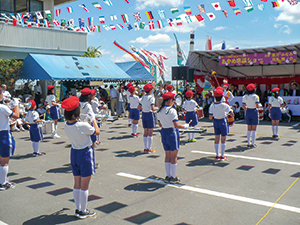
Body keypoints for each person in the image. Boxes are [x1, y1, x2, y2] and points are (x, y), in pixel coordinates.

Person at [61, 96, 100, 219]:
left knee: (77, 183)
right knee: (84, 185)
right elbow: (97, 131)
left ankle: (78, 208)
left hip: (74, 152)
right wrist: (93, 120)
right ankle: (83, 210)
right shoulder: (82, 125)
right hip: (85, 153)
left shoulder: (67, 125)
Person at [157, 92, 188, 184]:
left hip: (163, 131)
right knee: (174, 156)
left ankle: (168, 176)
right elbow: (176, 125)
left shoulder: (159, 110)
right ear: (170, 100)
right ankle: (173, 177)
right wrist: (185, 126)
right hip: (172, 132)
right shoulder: (172, 110)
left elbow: (160, 124)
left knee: (167, 155)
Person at [0, 89, 19, 190]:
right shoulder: (3, 108)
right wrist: (16, 105)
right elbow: (17, 115)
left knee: (0, 160)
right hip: (3, 134)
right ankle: (2, 183)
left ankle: (1, 179)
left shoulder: (3, 107)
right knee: (5, 160)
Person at [209, 88, 233, 161]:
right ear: (222, 97)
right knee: (223, 139)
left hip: (215, 121)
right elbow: (232, 114)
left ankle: (217, 155)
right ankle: (222, 155)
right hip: (223, 121)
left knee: (216, 138)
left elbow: (210, 117)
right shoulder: (225, 105)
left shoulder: (212, 106)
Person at [138, 83, 158, 153]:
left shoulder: (142, 97)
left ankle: (145, 147)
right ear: (150, 90)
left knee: (145, 131)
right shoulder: (151, 98)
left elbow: (139, 107)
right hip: (149, 114)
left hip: (144, 114)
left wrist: (143, 108)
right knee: (150, 132)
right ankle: (149, 148)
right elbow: (152, 108)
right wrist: (158, 108)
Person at [242, 83, 261, 148]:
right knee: (254, 128)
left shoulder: (245, 96)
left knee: (249, 128)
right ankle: (253, 143)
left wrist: (247, 106)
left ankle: (248, 142)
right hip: (254, 111)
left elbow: (243, 106)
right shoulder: (256, 96)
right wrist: (260, 105)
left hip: (248, 111)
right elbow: (257, 106)